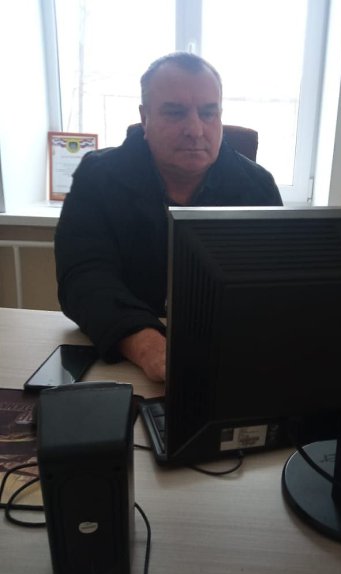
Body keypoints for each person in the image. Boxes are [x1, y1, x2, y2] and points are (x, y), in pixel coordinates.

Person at [54, 52, 283, 382]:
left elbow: (272, 290)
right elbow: (82, 278)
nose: (195, 129)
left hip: (228, 359)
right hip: (125, 359)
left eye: (208, 113)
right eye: (175, 113)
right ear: (144, 117)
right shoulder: (98, 178)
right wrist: (147, 346)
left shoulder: (257, 187)